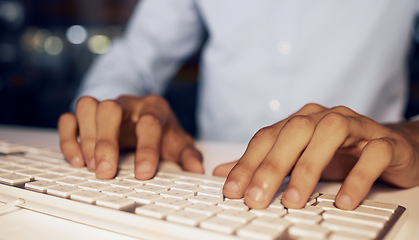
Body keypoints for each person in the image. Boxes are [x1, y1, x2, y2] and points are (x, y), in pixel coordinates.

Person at [58, 0, 419, 210]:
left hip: (372, 186)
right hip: (207, 180)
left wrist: (410, 137)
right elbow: (137, 56)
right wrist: (116, 109)